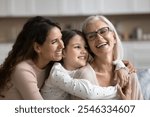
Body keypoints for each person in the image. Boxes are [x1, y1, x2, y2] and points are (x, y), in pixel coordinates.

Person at [41, 29, 132, 100]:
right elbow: (89, 92)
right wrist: (118, 90)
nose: (84, 51)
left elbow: (105, 60)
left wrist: (120, 66)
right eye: (77, 47)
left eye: (85, 47)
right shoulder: (57, 74)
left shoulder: (80, 64)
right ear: (63, 53)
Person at [0, 16, 64, 99]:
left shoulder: (51, 65)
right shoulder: (23, 70)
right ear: (37, 47)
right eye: (54, 42)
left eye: (61, 39)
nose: (62, 45)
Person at [81, 15, 143, 99]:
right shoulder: (83, 75)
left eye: (103, 31)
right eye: (91, 36)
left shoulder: (129, 73)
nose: (99, 37)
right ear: (88, 45)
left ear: (114, 37)